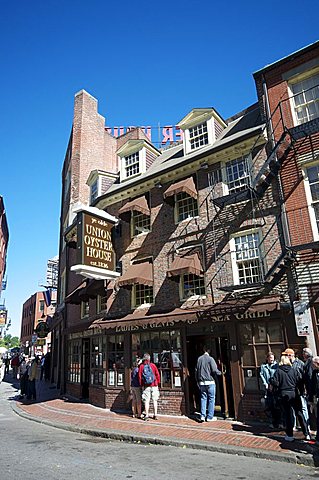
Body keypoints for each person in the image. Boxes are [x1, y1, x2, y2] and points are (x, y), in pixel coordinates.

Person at [270, 354, 309, 442]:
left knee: (288, 415)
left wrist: (271, 380)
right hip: (294, 393)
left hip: (284, 393)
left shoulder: (278, 371)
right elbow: (299, 380)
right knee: (299, 413)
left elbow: (276, 383)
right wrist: (300, 391)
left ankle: (289, 435)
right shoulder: (293, 370)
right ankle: (306, 433)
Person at [282, 347, 311, 437]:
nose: (285, 357)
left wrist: (304, 389)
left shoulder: (300, 364)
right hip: (292, 391)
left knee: (302, 410)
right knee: (291, 412)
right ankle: (294, 426)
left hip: (299, 391)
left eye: (286, 355)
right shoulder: (286, 365)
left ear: (291, 355)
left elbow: (304, 377)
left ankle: (307, 427)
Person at [195, 347, 221, 422]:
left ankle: (202, 416)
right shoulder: (210, 359)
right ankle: (210, 417)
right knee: (211, 399)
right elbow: (214, 370)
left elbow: (196, 371)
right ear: (209, 351)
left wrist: (197, 381)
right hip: (210, 382)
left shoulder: (199, 359)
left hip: (201, 382)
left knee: (203, 398)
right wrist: (221, 373)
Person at [260, 352, 282, 429]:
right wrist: (265, 384)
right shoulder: (263, 366)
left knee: (278, 406)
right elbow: (262, 375)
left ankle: (280, 422)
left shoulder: (277, 366)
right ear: (267, 358)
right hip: (268, 388)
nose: (271, 360)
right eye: (270, 358)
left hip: (276, 388)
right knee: (270, 405)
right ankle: (273, 422)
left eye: (272, 358)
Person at [138, 353, 160, 421]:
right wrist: (157, 382)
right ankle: (155, 414)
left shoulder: (141, 366)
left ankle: (147, 415)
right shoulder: (153, 365)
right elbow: (157, 374)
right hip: (154, 385)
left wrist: (141, 384)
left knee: (146, 401)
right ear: (149, 359)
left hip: (146, 386)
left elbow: (139, 377)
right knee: (154, 400)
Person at [309, 355, 319, 444]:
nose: (312, 366)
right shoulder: (314, 373)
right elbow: (312, 387)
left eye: (313, 364)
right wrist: (311, 400)